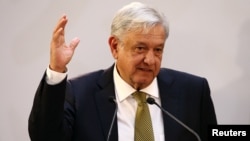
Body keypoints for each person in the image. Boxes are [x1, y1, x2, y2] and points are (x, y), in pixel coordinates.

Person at [28, 2, 217, 141]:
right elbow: (45, 138)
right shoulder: (79, 94)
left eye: (158, 49)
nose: (150, 60)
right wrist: (56, 70)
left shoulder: (194, 91)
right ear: (115, 47)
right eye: (140, 48)